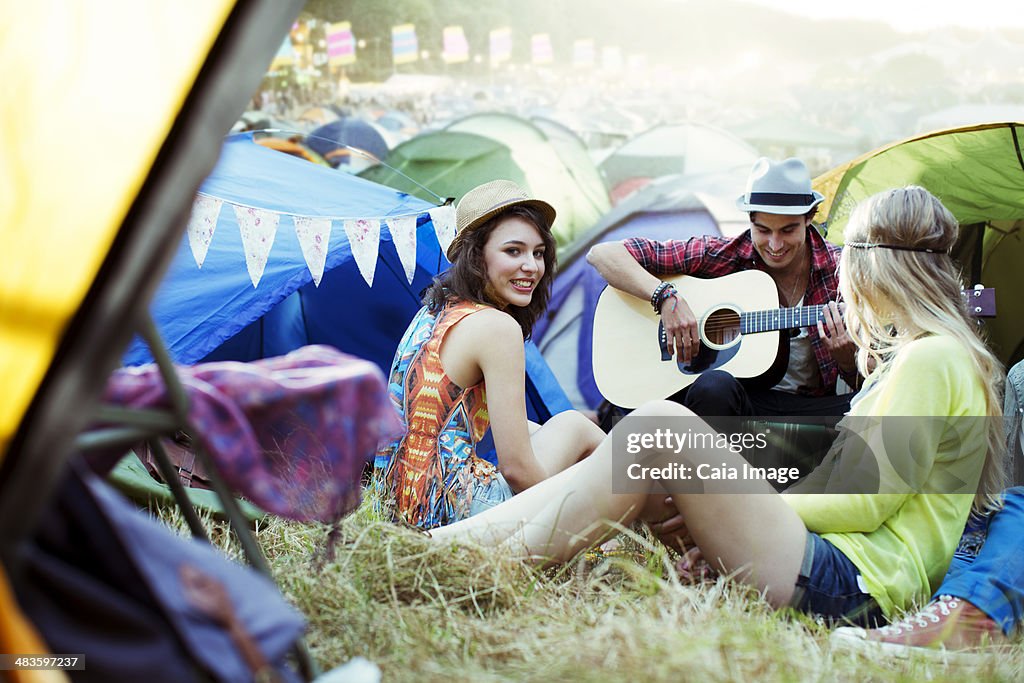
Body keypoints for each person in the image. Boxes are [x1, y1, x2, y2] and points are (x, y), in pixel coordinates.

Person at [431, 186, 1006, 628]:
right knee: (648, 435)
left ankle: (474, 568)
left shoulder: (933, 359)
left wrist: (743, 503)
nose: (841, 269)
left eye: (848, 254)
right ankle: (446, 552)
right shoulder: (925, 357)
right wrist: (730, 511)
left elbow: (858, 502)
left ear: (876, 263)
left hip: (855, 583)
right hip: (836, 564)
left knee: (661, 427)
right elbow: (852, 482)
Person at [375, 180, 605, 530]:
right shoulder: (497, 327)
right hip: (455, 512)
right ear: (476, 254)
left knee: (551, 432)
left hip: (400, 508)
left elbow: (494, 424)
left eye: (538, 253)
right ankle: (646, 523)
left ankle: (618, 532)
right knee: (576, 425)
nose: (531, 266)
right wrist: (574, 509)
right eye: (513, 251)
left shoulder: (434, 311)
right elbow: (517, 469)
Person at [587, 157, 859, 419]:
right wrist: (666, 298)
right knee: (713, 386)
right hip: (736, 402)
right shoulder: (722, 254)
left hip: (806, 407)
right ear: (749, 220)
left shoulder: (844, 273)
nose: (775, 245)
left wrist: (848, 361)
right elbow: (604, 254)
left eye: (787, 231)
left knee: (872, 412)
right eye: (763, 230)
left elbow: (871, 377)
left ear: (809, 218)